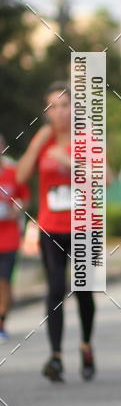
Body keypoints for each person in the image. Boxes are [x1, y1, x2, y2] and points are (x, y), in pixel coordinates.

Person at [16, 83, 96, 383]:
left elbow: (108, 177)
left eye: (64, 105)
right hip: (51, 227)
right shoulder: (43, 140)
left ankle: (86, 346)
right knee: (54, 290)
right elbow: (21, 177)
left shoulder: (86, 139)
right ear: (46, 112)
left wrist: (72, 163)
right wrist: (37, 146)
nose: (59, 112)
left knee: (84, 292)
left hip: (85, 227)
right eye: (53, 107)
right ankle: (56, 356)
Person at [0, 135, 30, 340]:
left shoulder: (12, 173)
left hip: (9, 237)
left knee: (5, 282)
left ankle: (1, 321)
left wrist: (16, 210)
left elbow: (25, 199)